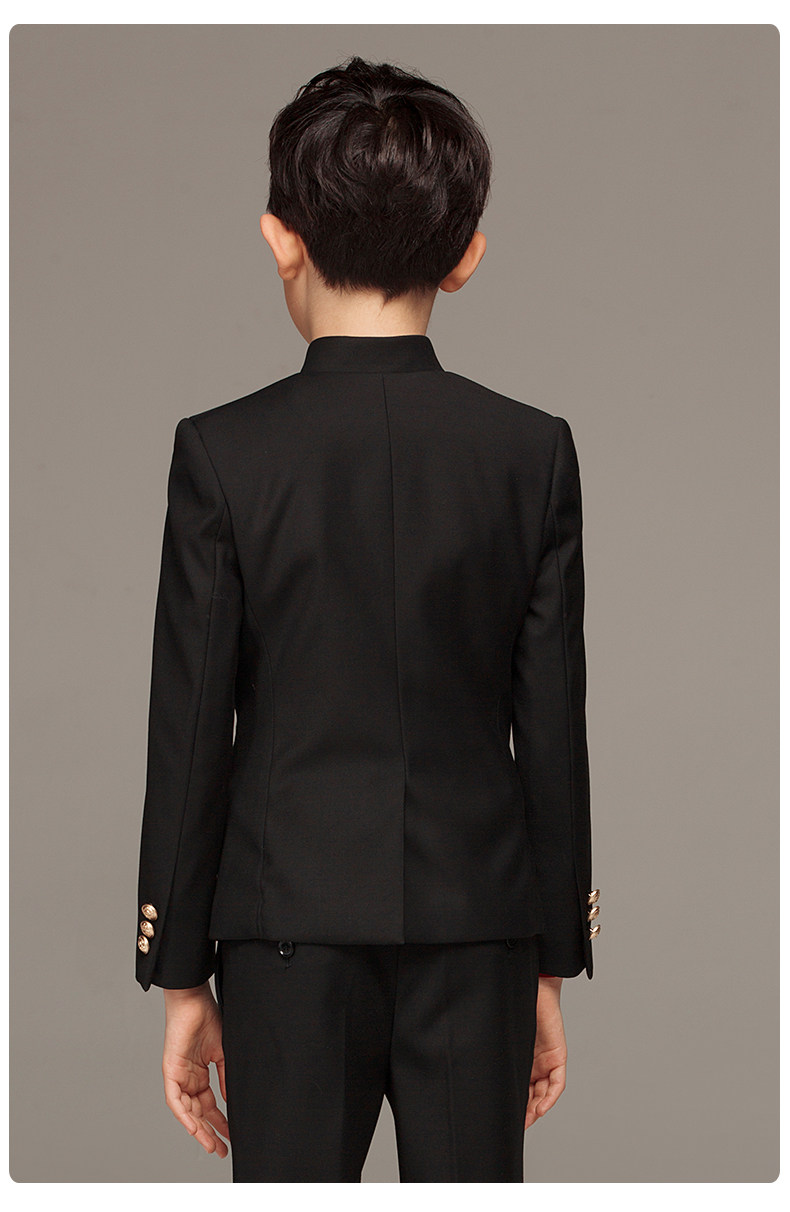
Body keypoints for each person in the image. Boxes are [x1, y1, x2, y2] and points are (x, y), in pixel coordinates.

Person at [134, 55, 600, 1183]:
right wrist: (549, 957)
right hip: (477, 929)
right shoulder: (530, 453)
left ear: (280, 239)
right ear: (467, 255)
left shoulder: (224, 453)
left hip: (284, 934)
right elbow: (551, 726)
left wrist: (182, 971)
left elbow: (191, 730)